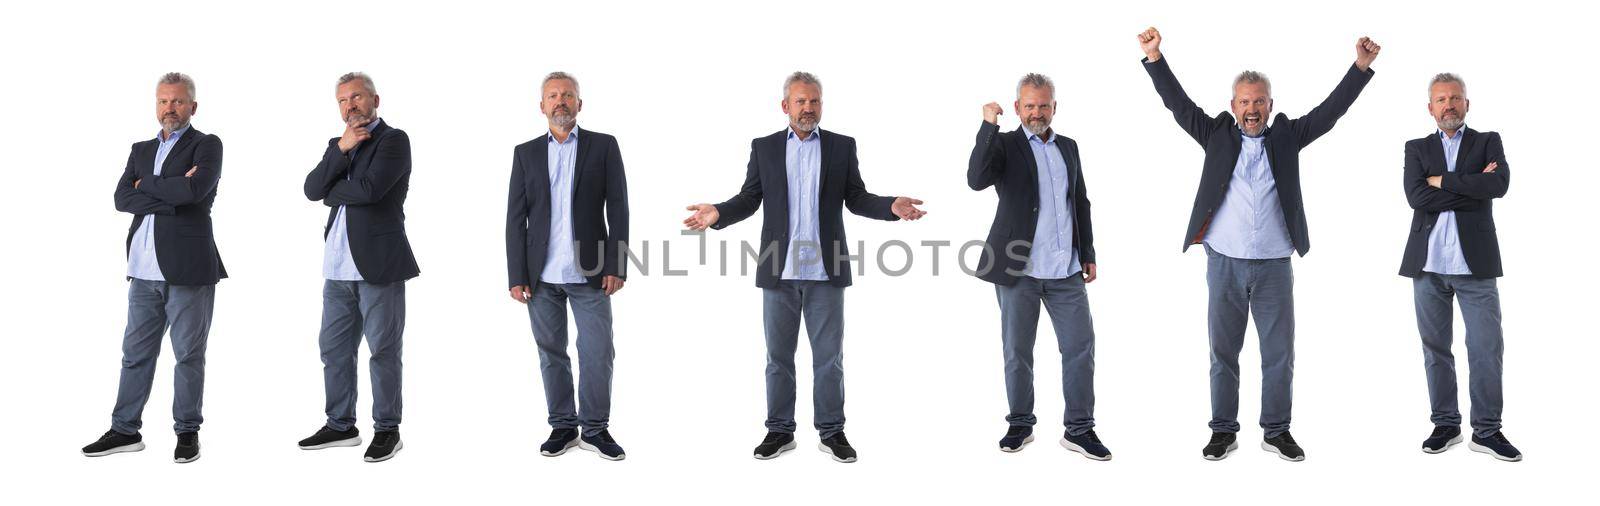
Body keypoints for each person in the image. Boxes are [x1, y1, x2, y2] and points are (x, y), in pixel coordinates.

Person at [1136, 27, 1379, 461]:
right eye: (1245, 102)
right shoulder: (1214, 135)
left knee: (1278, 354)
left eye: (1259, 101)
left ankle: (1277, 430)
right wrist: (1155, 58)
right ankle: (1223, 431)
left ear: (1270, 105)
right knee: (1222, 353)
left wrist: (1359, 67)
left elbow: (1330, 112)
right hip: (1224, 263)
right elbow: (1177, 104)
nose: (1252, 109)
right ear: (1233, 107)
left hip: (1273, 266)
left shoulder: (1287, 137)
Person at [683, 71, 926, 463]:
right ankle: (779, 431)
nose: (808, 107)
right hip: (778, 271)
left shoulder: (841, 146)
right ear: (785, 106)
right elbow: (749, 198)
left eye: (814, 101)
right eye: (800, 101)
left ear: (821, 105)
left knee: (828, 359)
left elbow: (856, 197)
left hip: (826, 272)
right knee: (778, 358)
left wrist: (890, 207)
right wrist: (718, 213)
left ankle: (832, 431)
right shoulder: (764, 147)